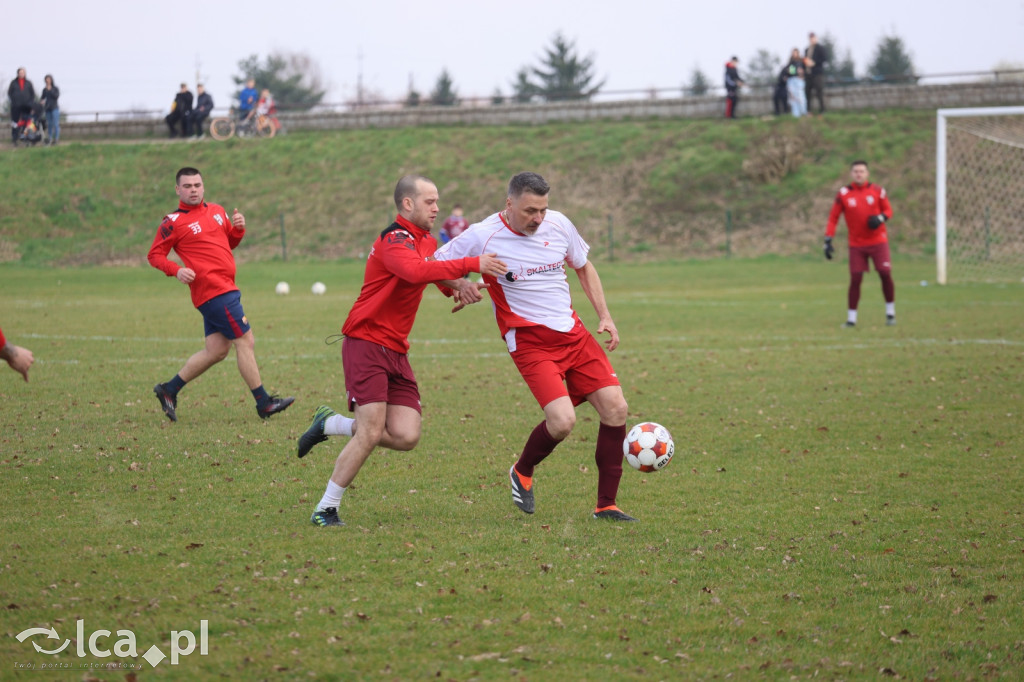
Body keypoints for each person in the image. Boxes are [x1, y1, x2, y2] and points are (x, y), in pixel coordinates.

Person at [299, 174, 508, 528]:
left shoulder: (424, 241)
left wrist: (458, 286)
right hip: (365, 342)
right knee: (370, 431)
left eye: (438, 200)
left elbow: (429, 271)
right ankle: (326, 508)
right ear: (407, 204)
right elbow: (412, 271)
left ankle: (329, 423)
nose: (437, 208)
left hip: (396, 349)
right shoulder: (393, 238)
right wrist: (473, 265)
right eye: (430, 201)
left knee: (406, 435)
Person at [434, 172, 636, 522]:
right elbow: (434, 264)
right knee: (562, 422)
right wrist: (459, 284)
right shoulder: (484, 234)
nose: (538, 218)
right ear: (509, 204)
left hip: (574, 335)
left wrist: (605, 316)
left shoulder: (558, 224)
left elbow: (583, 267)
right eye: (530, 211)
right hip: (529, 341)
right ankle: (522, 471)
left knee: (616, 409)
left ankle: (607, 505)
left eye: (543, 209)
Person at [147, 167, 295, 421]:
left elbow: (229, 243)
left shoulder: (217, 211)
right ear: (178, 190)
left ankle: (168, 390)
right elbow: (154, 255)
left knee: (216, 350)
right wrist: (177, 270)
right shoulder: (172, 221)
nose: (193, 189)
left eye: (197, 185)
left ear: (203, 186)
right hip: (213, 291)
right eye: (187, 186)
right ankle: (264, 402)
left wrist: (238, 229)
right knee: (245, 341)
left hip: (226, 287)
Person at [823, 160, 896, 328]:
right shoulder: (844, 194)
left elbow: (888, 211)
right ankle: (851, 319)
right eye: (856, 171)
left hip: (878, 242)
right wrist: (828, 239)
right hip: (856, 244)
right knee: (856, 278)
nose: (859, 174)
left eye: (862, 171)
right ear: (851, 174)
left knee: (885, 272)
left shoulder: (878, 191)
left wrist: (879, 219)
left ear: (867, 173)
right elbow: (833, 218)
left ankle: (890, 312)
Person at [8, 68, 36, 146]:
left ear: (25, 73)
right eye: (20, 72)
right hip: (16, 107)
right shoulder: (13, 83)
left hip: (26, 107)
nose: (21, 74)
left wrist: (31, 104)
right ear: (18, 73)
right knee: (15, 123)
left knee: (27, 123)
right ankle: (14, 139)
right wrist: (14, 102)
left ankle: (26, 138)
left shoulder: (28, 83)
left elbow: (32, 94)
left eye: (23, 72)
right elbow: (9, 93)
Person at [804, 32, 828, 114]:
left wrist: (814, 63)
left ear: (816, 38)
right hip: (808, 74)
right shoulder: (807, 50)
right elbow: (804, 62)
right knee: (807, 92)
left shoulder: (820, 48)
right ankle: (808, 111)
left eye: (813, 38)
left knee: (819, 92)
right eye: (810, 38)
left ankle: (822, 110)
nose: (811, 40)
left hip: (817, 74)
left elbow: (824, 59)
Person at [40, 74, 60, 145]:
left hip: (54, 108)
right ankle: (50, 138)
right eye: (46, 79)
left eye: (49, 79)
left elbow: (56, 96)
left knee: (55, 124)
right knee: (49, 124)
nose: (47, 81)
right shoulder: (44, 90)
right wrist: (42, 101)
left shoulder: (55, 88)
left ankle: (56, 138)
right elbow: (42, 98)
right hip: (47, 109)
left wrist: (50, 90)